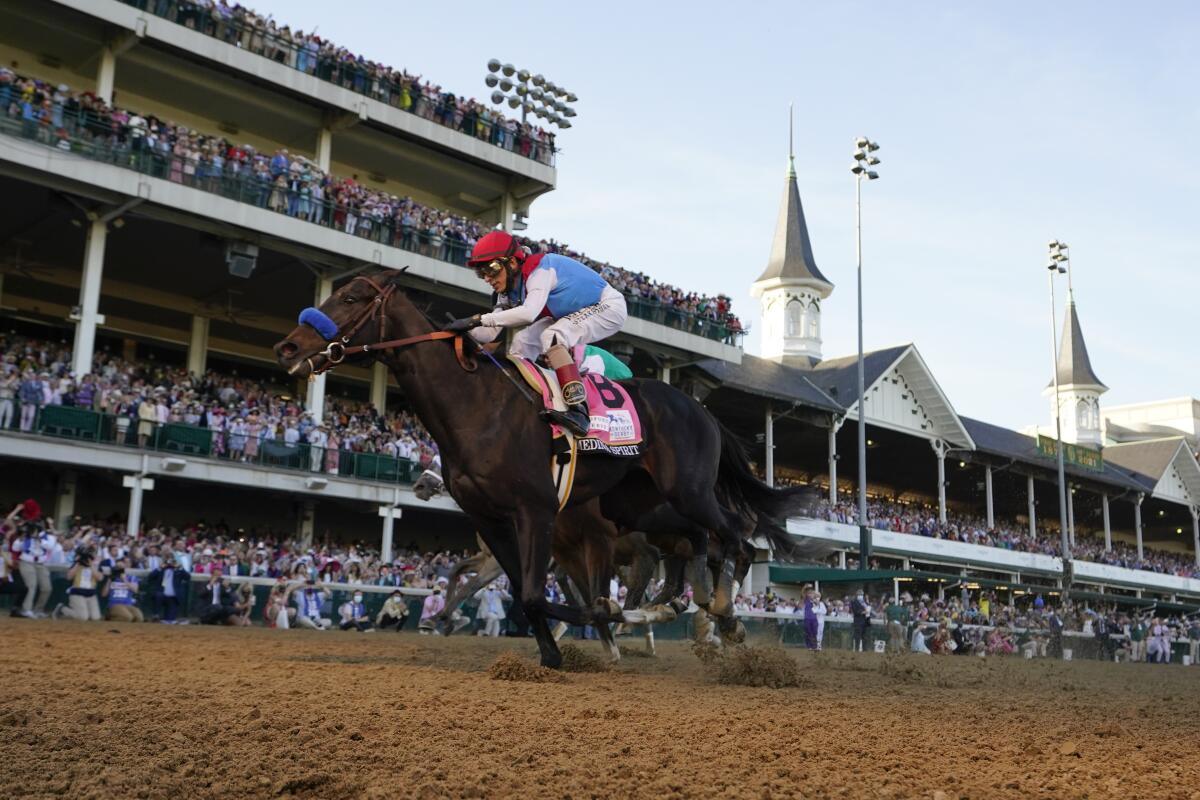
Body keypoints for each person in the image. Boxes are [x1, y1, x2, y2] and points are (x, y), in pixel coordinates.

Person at [446, 230, 628, 436]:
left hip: (607, 305)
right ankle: (518, 401)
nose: (488, 278)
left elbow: (529, 313)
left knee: (553, 336)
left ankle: (579, 411)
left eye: (492, 269)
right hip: (570, 313)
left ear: (512, 263)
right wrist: (457, 331)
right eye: (481, 273)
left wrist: (476, 319)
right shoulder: (506, 291)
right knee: (522, 342)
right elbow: (489, 333)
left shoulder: (540, 270)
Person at [54, 546, 103, 621]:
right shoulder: (77, 564)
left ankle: (80, 612)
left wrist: (91, 565)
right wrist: (78, 563)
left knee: (96, 618)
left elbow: (99, 578)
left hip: (91, 594)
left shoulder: (96, 566)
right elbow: (69, 577)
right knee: (83, 617)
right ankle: (62, 609)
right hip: (77, 593)